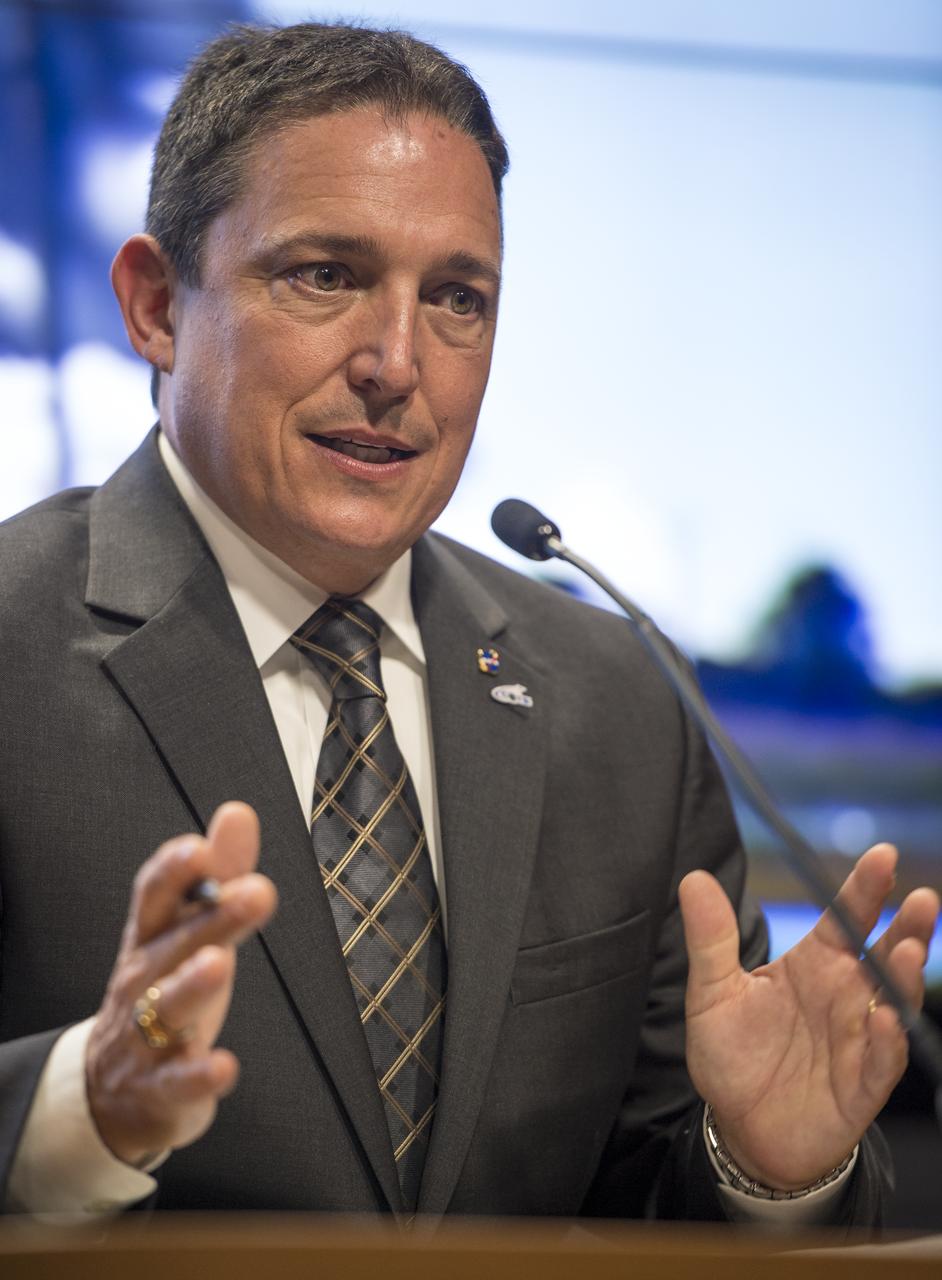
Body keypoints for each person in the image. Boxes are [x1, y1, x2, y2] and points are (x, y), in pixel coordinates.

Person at [0, 21, 937, 1224]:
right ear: (154, 304)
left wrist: (767, 1165)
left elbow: (642, 1188)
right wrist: (86, 1106)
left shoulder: (616, 703)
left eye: (456, 298)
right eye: (325, 274)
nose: (397, 362)